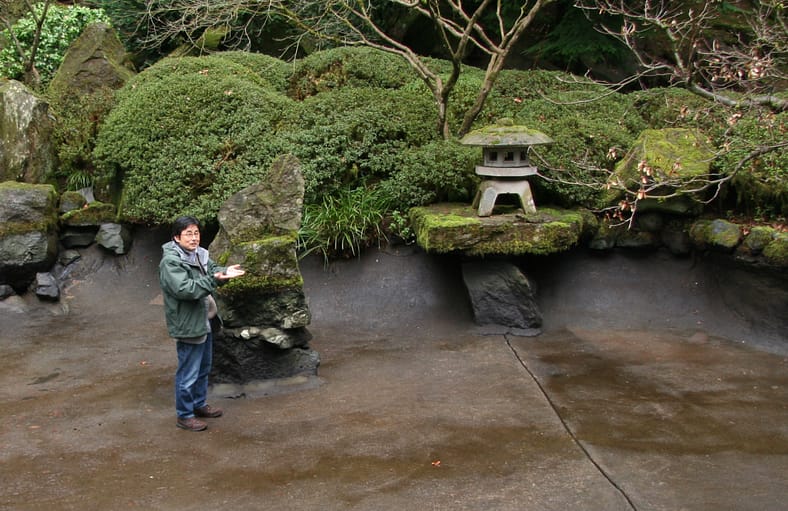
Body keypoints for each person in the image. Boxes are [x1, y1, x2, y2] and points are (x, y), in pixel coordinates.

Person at [159, 216, 245, 431]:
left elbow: (213, 268)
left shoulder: (199, 255)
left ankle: (198, 405)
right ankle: (184, 415)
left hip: (204, 321)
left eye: (196, 233)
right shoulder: (171, 262)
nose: (194, 238)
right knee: (188, 372)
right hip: (188, 324)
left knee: (203, 368)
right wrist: (215, 279)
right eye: (188, 233)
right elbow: (185, 289)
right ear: (176, 238)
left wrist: (224, 272)